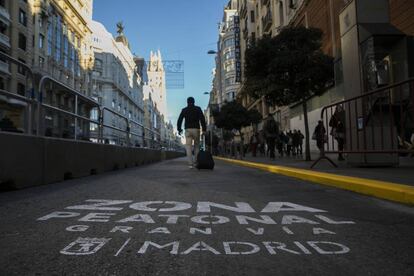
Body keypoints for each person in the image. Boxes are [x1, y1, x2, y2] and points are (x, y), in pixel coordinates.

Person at [177, 97, 206, 168]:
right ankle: (196, 162)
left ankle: (190, 164)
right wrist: (204, 129)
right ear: (194, 102)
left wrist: (179, 129)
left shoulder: (184, 110)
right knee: (196, 146)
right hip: (196, 129)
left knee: (188, 147)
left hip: (188, 130)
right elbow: (202, 119)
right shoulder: (198, 109)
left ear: (187, 102)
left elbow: (179, 120)